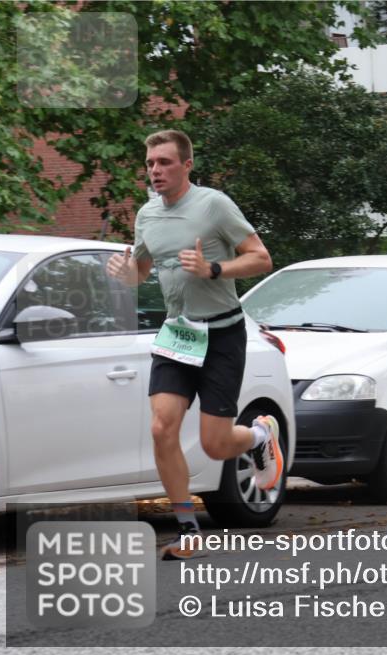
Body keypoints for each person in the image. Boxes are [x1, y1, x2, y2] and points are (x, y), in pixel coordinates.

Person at [107, 129, 285, 559]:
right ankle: (187, 529)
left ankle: (259, 434)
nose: (155, 171)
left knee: (215, 445)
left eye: (165, 162)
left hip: (222, 333)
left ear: (187, 165)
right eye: (150, 163)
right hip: (178, 332)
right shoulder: (147, 215)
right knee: (161, 427)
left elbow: (261, 258)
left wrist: (214, 269)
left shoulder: (213, 205)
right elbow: (142, 271)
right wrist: (127, 275)